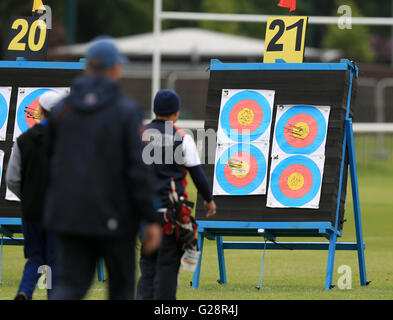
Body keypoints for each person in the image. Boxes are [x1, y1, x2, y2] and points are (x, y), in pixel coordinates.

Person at [43, 38, 162, 300]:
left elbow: (48, 163)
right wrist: (150, 217)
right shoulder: (125, 110)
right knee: (120, 289)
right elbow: (136, 171)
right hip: (115, 216)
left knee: (70, 286)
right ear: (115, 69)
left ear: (87, 68)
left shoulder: (62, 110)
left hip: (69, 215)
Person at [136, 89, 216, 300]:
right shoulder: (182, 137)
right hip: (170, 214)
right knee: (167, 267)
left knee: (147, 266)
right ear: (177, 112)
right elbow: (197, 174)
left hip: (143, 212)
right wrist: (208, 200)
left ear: (154, 110)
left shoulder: (138, 135)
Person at [6, 91, 63, 300]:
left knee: (35, 258)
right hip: (59, 211)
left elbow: (12, 178)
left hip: (32, 211)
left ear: (40, 111)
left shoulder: (23, 140)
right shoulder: (69, 141)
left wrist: (28, 196)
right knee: (56, 260)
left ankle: (24, 292)